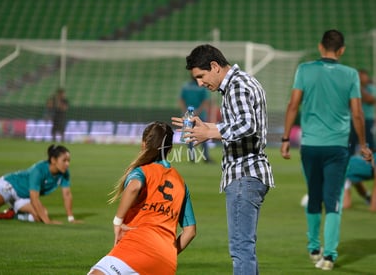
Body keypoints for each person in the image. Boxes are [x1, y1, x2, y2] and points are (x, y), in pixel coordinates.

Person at [172, 44, 274, 275]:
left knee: (241, 249)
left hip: (244, 174)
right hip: (250, 174)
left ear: (215, 66)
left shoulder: (237, 86)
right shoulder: (242, 82)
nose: (200, 83)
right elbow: (240, 123)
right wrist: (205, 126)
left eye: (201, 76)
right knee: (245, 248)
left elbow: (248, 124)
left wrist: (209, 132)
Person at [280, 29, 373, 271]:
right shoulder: (350, 74)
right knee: (333, 200)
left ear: (321, 47)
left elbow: (293, 105)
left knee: (314, 194)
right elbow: (357, 113)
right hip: (337, 147)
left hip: (310, 145)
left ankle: (313, 248)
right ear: (341, 50)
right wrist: (363, 144)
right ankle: (329, 256)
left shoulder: (305, 70)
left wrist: (285, 138)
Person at [88, 121, 196, 275]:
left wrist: (117, 221)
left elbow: (134, 187)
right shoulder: (181, 183)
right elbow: (190, 231)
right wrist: (165, 254)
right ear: (170, 149)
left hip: (136, 248)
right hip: (165, 263)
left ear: (143, 144)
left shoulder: (143, 171)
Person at [0, 144, 81, 224]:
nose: (67, 164)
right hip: (10, 186)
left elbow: (67, 195)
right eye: (64, 160)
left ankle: (11, 214)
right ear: (53, 160)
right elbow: (35, 199)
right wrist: (48, 222)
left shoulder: (64, 173)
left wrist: (70, 218)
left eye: (68, 161)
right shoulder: (39, 170)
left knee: (41, 215)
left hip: (23, 196)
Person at [179, 76, 212, 163]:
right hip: (200, 115)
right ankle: (205, 157)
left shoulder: (186, 86)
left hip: (189, 115)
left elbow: (181, 100)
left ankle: (192, 158)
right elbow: (205, 101)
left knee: (189, 137)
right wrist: (198, 111)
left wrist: (185, 112)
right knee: (204, 136)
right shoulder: (202, 87)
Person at [348, 69, 376, 155]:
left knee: (370, 144)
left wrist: (358, 89)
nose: (360, 78)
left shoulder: (371, 88)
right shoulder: (351, 89)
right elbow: (348, 103)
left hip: (368, 120)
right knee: (350, 144)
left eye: (362, 76)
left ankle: (372, 165)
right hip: (353, 120)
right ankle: (349, 164)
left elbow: (370, 100)